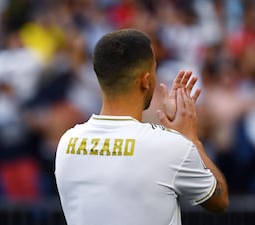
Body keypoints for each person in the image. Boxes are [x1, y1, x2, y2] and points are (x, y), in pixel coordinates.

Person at [54, 29, 228, 225]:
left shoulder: (66, 143)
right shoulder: (170, 146)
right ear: (145, 80)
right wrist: (190, 139)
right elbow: (220, 201)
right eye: (155, 70)